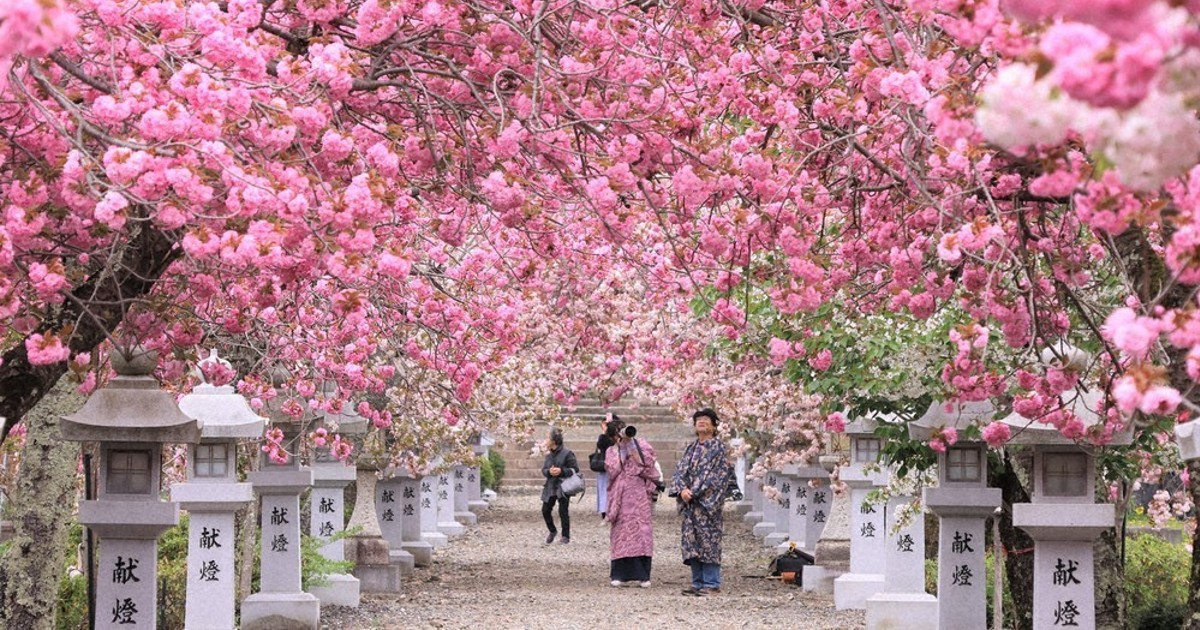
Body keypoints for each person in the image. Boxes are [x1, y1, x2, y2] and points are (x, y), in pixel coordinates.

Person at [671, 408, 734, 596]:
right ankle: (697, 582)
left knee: (709, 541)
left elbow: (717, 475)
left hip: (707, 504)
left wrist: (695, 491)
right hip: (690, 504)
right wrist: (682, 489)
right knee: (692, 542)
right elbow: (680, 471)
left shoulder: (718, 447)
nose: (702, 422)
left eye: (706, 419)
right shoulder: (691, 448)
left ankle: (712, 583)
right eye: (698, 419)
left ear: (714, 425)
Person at [604, 418, 660, 587]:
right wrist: (621, 451)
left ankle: (643, 575)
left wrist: (632, 449)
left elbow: (648, 464)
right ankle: (620, 574)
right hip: (621, 495)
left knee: (641, 532)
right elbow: (612, 470)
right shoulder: (611, 451)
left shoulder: (641, 444)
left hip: (639, 493)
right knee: (622, 533)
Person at [540, 427, 578, 544]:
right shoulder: (548, 455)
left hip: (563, 486)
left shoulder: (567, 453)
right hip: (550, 486)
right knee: (545, 510)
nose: (545, 440)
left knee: (563, 511)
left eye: (547, 437)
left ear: (554, 440)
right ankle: (552, 531)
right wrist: (549, 472)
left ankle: (565, 536)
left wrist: (561, 471)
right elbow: (544, 470)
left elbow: (575, 470)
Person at [594, 413, 619, 518]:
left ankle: (611, 511)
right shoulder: (604, 437)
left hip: (614, 465)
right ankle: (605, 511)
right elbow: (601, 446)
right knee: (604, 488)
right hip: (604, 465)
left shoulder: (616, 436)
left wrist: (605, 434)